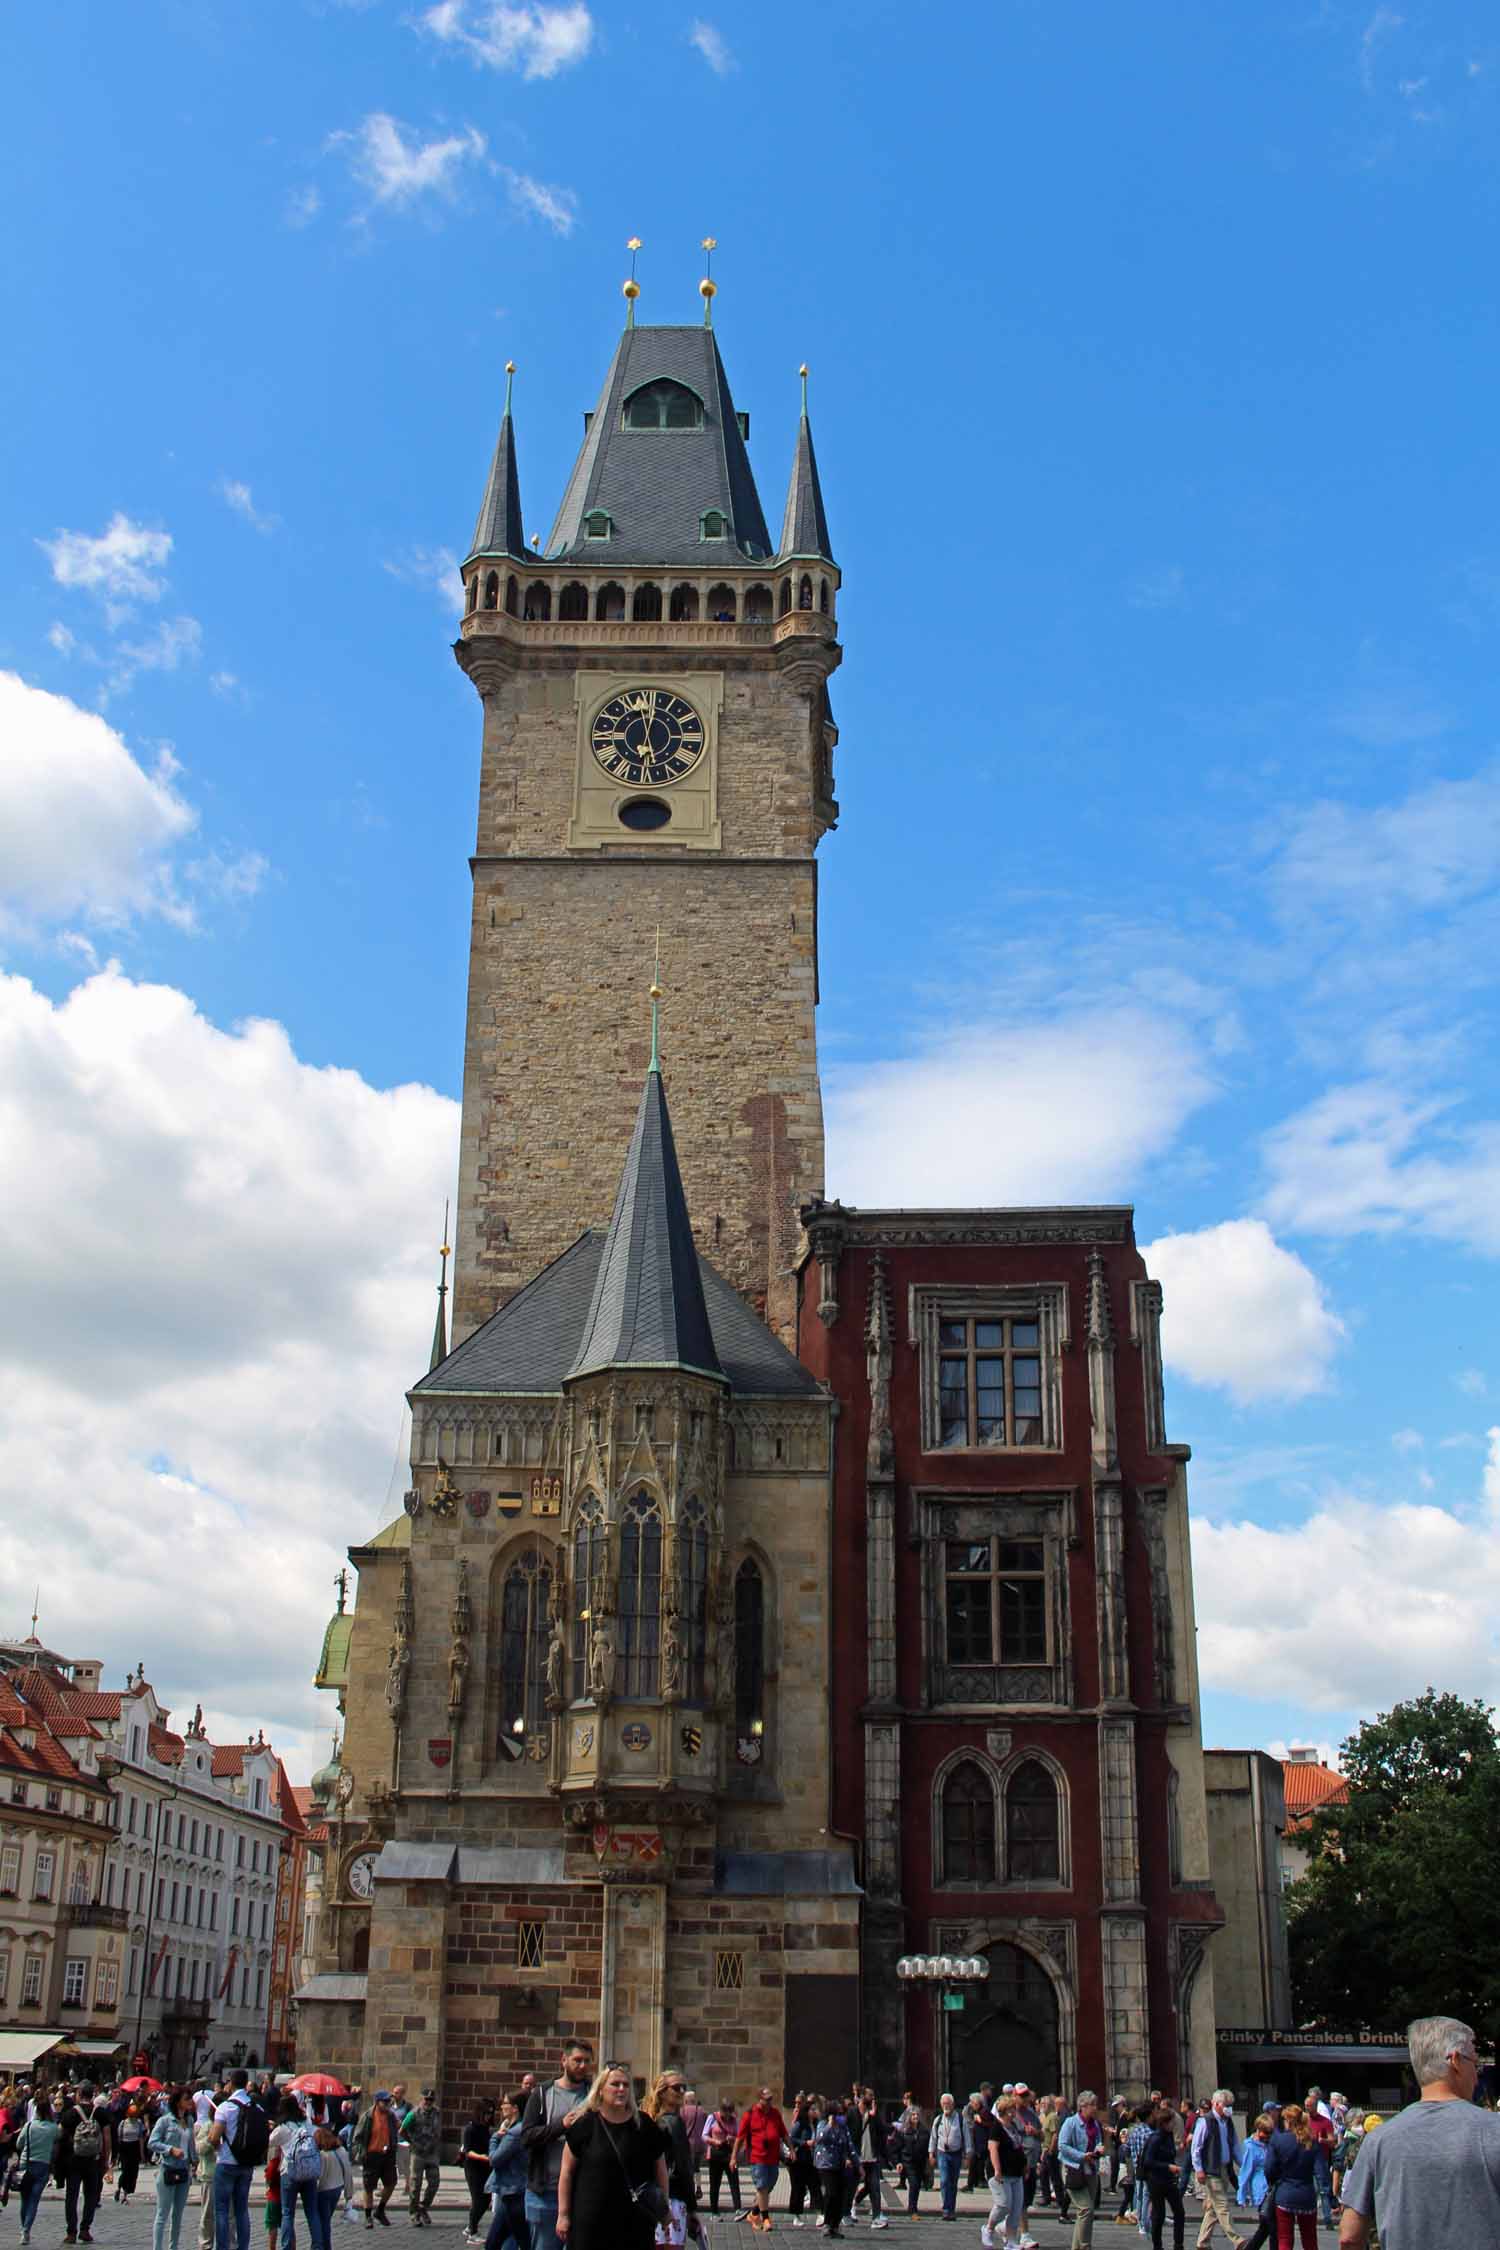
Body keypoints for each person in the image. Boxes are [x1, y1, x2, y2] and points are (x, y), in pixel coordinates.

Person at [1340, 2013, 1500, 2250]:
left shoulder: (1378, 2141)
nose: (1477, 2077)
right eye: (1474, 2064)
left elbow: (1349, 2236)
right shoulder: (1494, 2131)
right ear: (1455, 2061)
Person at [555, 2065, 667, 2250]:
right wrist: (563, 2214)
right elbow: (566, 2172)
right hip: (591, 2222)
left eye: (625, 2085)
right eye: (615, 2084)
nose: (621, 2089)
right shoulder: (585, 2125)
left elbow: (660, 2168)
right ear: (600, 2089)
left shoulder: (644, 2125)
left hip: (636, 2222)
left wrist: (662, 2206)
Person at [521, 2041, 594, 2250]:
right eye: (577, 2060)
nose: (582, 2066)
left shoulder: (595, 2096)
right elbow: (526, 2137)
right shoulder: (542, 2094)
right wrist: (561, 2125)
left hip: (583, 2194)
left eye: (587, 2061)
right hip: (546, 2193)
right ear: (564, 2060)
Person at [212, 2069, 271, 2250]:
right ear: (246, 2084)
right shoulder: (257, 2108)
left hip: (226, 2164)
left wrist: (218, 2148)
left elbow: (215, 2137)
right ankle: (243, 2247)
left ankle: (223, 2247)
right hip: (247, 2164)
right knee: (241, 2210)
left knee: (221, 2210)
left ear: (230, 2083)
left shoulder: (225, 2107)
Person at [641, 2070, 698, 2249]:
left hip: (652, 2197)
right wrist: (692, 2206)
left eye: (684, 2087)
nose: (681, 2091)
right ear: (663, 2092)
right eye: (676, 2087)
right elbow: (683, 2168)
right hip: (673, 2198)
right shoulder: (674, 2122)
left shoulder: (650, 2119)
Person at [61, 2079, 114, 2245]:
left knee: (72, 2196)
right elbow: (107, 2138)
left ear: (78, 2094)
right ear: (93, 2095)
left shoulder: (70, 2113)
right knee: (91, 2196)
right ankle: (85, 2229)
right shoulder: (100, 2113)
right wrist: (106, 2161)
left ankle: (71, 2232)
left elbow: (61, 2137)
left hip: (73, 2160)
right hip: (93, 2160)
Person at [734, 2086, 788, 2236]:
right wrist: (733, 2157)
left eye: (771, 2099)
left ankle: (753, 2213)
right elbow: (740, 2138)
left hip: (773, 2157)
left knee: (768, 2187)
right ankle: (765, 2219)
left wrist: (792, 2150)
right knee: (762, 2188)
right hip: (758, 2157)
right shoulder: (750, 2115)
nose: (770, 2102)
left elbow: (784, 2133)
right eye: (767, 2099)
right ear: (760, 2099)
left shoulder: (775, 2114)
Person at [1189, 2091, 1241, 2247]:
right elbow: (1196, 2148)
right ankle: (1237, 2240)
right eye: (1227, 2106)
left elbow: (1236, 2147)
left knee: (1213, 2209)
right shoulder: (1205, 2122)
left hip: (1224, 2169)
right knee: (1222, 2206)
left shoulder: (1228, 2122)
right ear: (1216, 2104)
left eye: (1230, 2106)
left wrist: (1244, 2166)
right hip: (1211, 2171)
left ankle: (1202, 2243)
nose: (1229, 2109)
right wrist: (1198, 2169)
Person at [1261, 2106, 1317, 2250]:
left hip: (1285, 2192)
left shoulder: (1278, 2140)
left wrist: (1274, 2182)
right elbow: (1321, 2172)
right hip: (1307, 2194)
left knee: (1285, 2239)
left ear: (1287, 2121)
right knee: (1310, 2239)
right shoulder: (1311, 2141)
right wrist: (1330, 2197)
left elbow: (1269, 2168)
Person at [151, 2091, 199, 2250]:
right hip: (168, 2168)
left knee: (178, 2215)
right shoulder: (165, 2121)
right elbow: (152, 2142)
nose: (190, 2101)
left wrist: (194, 2160)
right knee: (162, 2214)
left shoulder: (189, 2120)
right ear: (177, 2101)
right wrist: (170, 2149)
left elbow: (190, 2142)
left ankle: (174, 2247)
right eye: (187, 2098)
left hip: (184, 2169)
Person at [1057, 2093, 1105, 2250]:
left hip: (1091, 2170)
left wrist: (1099, 2149)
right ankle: (1085, 2246)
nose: (1095, 2108)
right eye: (1093, 2105)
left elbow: (1098, 2140)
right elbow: (1062, 2146)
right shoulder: (1071, 2123)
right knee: (1085, 2209)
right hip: (1073, 2169)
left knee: (1085, 2214)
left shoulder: (1095, 2124)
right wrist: (1082, 2156)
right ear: (1083, 2106)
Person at [984, 2094, 1030, 2249]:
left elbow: (1018, 2148)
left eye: (1013, 2110)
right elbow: (993, 2149)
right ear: (1002, 2111)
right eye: (1009, 2110)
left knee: (1016, 2210)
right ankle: (989, 2228)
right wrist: (997, 2169)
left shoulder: (1014, 2127)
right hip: (1000, 2174)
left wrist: (1025, 2165)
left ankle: (1010, 2242)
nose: (1012, 2113)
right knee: (1003, 2204)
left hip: (1016, 2173)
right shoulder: (996, 2127)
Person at [350, 2093, 401, 2232]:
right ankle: (368, 2217)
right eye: (385, 2102)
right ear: (377, 2102)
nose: (388, 2104)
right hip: (372, 2155)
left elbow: (397, 2128)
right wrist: (360, 2152)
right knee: (369, 2186)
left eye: (388, 2101)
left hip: (388, 2154)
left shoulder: (391, 2116)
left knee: (391, 2183)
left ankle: (380, 2210)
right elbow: (357, 2137)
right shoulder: (368, 2116)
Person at [482, 2097, 527, 2250]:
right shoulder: (515, 2128)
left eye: (505, 2103)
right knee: (504, 2240)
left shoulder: (514, 2133)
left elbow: (495, 2160)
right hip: (512, 2191)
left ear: (515, 2108)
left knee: (497, 2242)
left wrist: (495, 2137)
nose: (502, 2106)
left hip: (512, 2192)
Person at [14, 2101, 61, 2246]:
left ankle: (24, 2229)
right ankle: (26, 2229)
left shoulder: (29, 2126)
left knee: (25, 2199)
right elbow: (58, 2139)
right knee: (34, 2200)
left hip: (25, 2164)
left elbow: (18, 2144)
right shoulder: (53, 2128)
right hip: (42, 2165)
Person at [1140, 2103, 1185, 2250]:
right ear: (1164, 2123)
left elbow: (1170, 2154)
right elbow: (1148, 2161)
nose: (1174, 2124)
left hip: (1169, 2179)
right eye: (1172, 2121)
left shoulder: (1169, 2136)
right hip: (1156, 2180)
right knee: (1159, 2215)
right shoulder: (1156, 2138)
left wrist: (1174, 2166)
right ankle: (1157, 2246)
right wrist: (1168, 2166)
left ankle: (1178, 2245)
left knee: (1179, 2212)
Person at [811, 2099, 855, 2241]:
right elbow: (819, 2138)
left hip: (839, 2163)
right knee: (831, 2193)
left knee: (840, 2195)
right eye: (837, 2114)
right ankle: (827, 2223)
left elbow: (848, 2144)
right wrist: (830, 2125)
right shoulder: (823, 2124)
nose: (840, 2117)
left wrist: (855, 2163)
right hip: (825, 2164)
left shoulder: (842, 2126)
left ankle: (835, 2225)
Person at [403, 2093, 442, 2227]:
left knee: (434, 2183)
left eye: (431, 2099)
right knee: (415, 2185)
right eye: (427, 2099)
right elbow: (402, 2130)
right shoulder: (413, 2113)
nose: (429, 2102)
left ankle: (423, 2207)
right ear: (422, 2099)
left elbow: (437, 2130)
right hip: (418, 2153)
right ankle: (414, 2213)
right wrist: (411, 2143)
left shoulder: (437, 2112)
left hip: (431, 2152)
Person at [461, 2099, 495, 2242]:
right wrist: (482, 2157)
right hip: (473, 2168)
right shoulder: (471, 2128)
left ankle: (470, 2227)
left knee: (486, 2198)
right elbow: (468, 2151)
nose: (489, 2116)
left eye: (491, 2113)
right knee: (478, 2199)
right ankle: (472, 2232)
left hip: (485, 2168)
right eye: (487, 2113)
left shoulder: (485, 2128)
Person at [929, 2093, 965, 2222]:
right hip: (942, 2153)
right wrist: (931, 2153)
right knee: (944, 2181)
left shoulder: (960, 2119)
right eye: (943, 2104)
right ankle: (946, 2209)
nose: (946, 2106)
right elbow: (933, 2137)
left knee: (953, 2183)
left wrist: (968, 2154)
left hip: (956, 2153)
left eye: (948, 2103)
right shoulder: (938, 2120)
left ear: (953, 2104)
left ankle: (951, 2210)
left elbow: (966, 2136)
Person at [787, 2094, 822, 2224]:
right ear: (807, 2112)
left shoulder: (817, 2124)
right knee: (798, 2189)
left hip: (812, 2161)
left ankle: (820, 2213)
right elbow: (791, 2138)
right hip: (800, 2160)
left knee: (815, 2187)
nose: (815, 2112)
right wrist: (805, 2143)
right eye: (813, 2110)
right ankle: (796, 2216)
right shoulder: (800, 2124)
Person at [318, 2125, 354, 2249]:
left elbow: (320, 2177)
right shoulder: (342, 2151)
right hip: (337, 2189)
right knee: (326, 2220)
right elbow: (348, 2173)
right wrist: (349, 2195)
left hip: (323, 2191)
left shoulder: (323, 2155)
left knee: (323, 2223)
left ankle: (324, 2246)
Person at [705, 2102, 740, 2215]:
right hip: (716, 2152)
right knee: (715, 2183)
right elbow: (704, 2135)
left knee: (734, 2181)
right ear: (721, 2110)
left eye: (730, 2112)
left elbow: (739, 2136)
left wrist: (733, 2138)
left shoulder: (734, 2120)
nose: (728, 2116)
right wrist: (714, 2141)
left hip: (730, 2153)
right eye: (726, 2112)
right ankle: (714, 2211)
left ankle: (737, 2209)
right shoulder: (712, 2118)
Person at [1234, 2119, 1272, 2221]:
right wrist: (1241, 2196)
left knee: (1268, 2225)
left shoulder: (1268, 2144)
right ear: (1258, 2130)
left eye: (1270, 2133)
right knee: (1267, 2222)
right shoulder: (1250, 2147)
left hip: (1271, 2187)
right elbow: (1245, 2172)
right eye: (1266, 2133)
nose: (1268, 2136)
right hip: (1260, 2188)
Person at [117, 2100, 147, 2202]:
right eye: (131, 2115)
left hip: (135, 2148)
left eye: (135, 2115)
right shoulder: (123, 2123)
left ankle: (126, 2193)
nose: (133, 2117)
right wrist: (117, 2154)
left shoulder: (139, 2123)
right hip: (125, 2148)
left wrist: (142, 2154)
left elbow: (141, 2139)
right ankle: (119, 2187)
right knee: (125, 2171)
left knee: (133, 2172)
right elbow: (119, 2138)